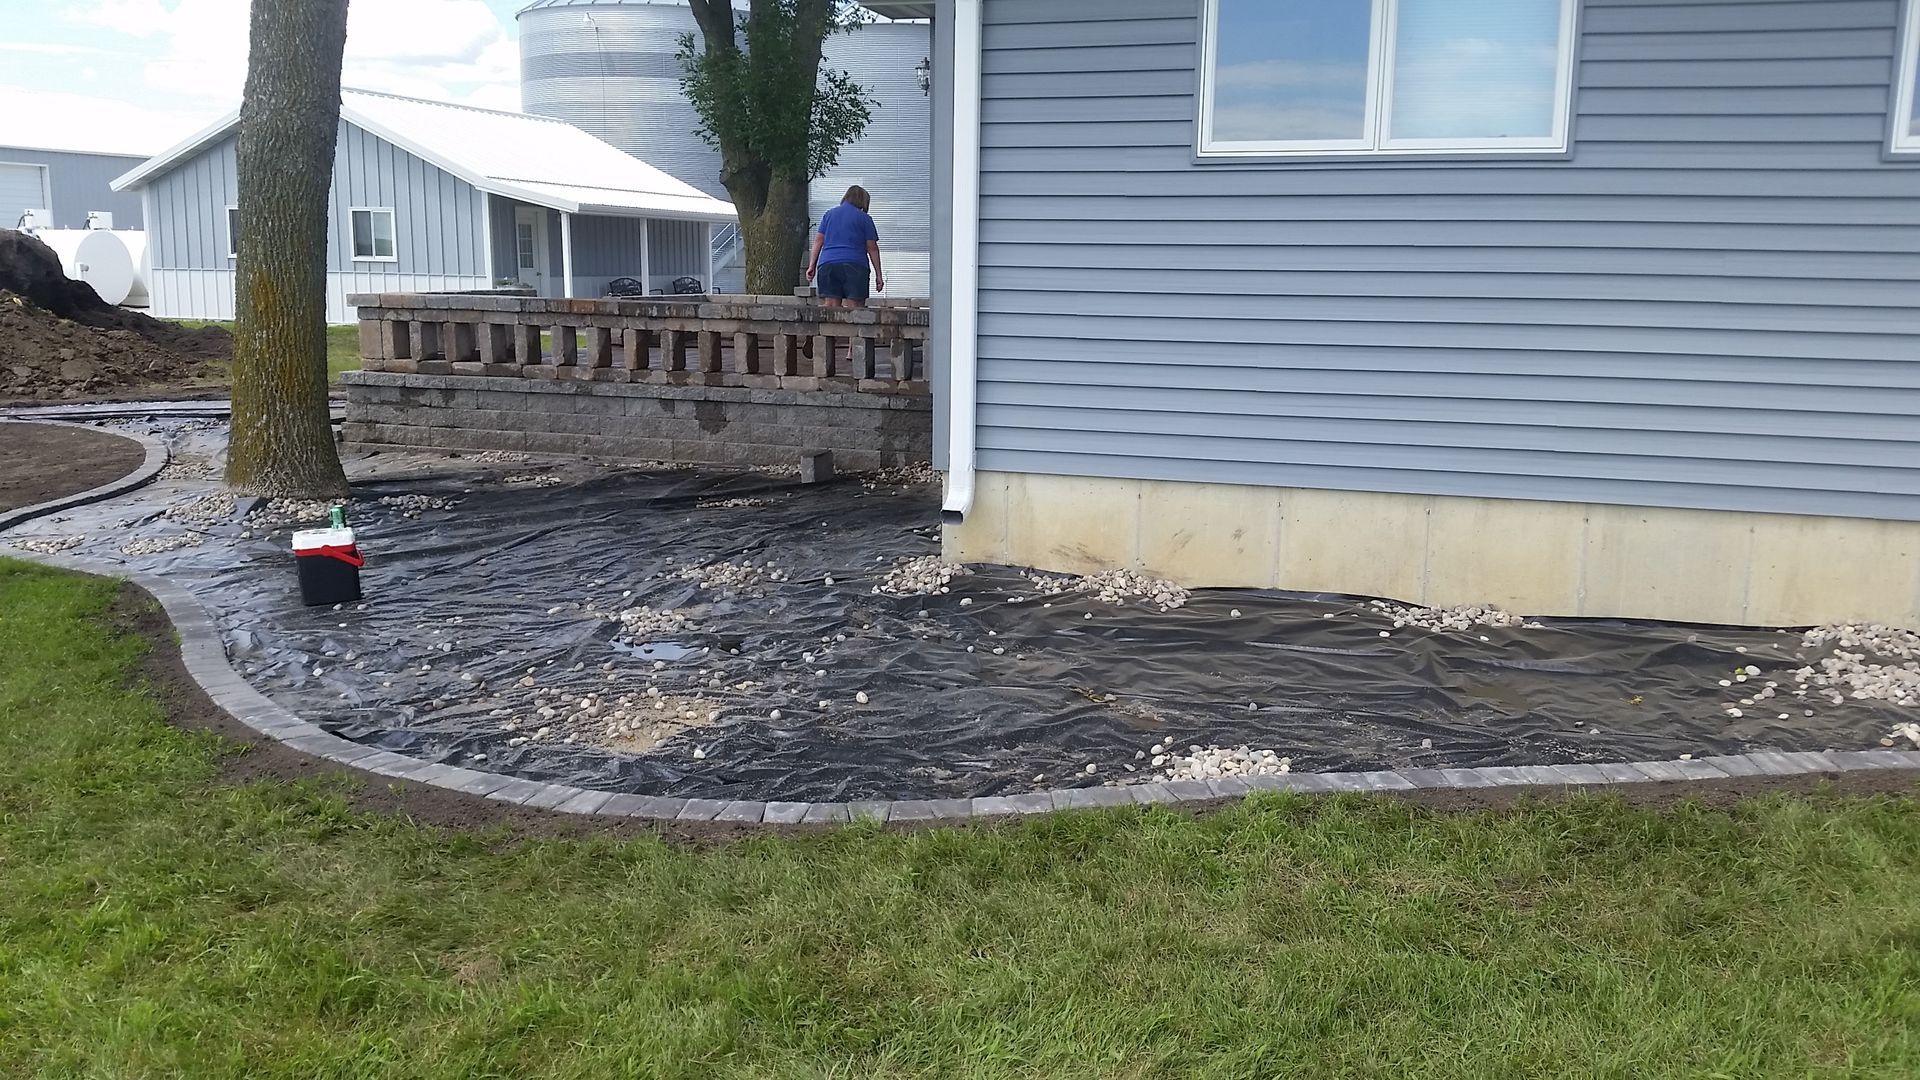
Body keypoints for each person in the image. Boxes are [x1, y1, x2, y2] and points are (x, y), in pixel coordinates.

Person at [806, 185, 884, 307]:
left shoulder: (829, 215)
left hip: (828, 264)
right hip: (855, 266)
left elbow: (818, 241)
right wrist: (879, 275)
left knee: (831, 308)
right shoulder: (865, 219)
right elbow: (872, 248)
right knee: (856, 310)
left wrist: (811, 266)